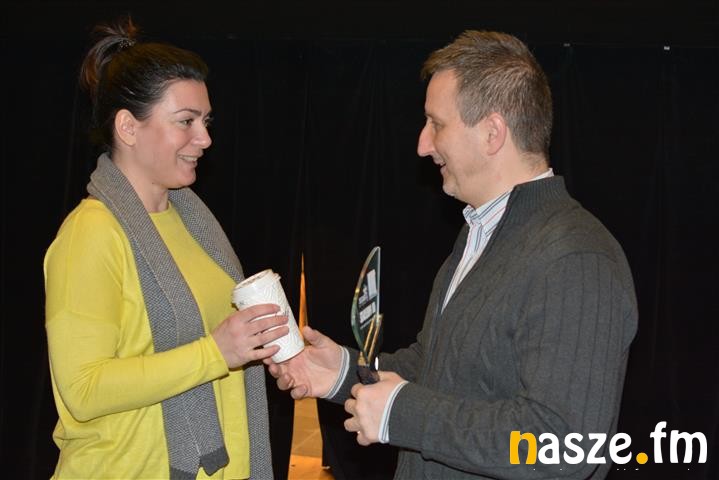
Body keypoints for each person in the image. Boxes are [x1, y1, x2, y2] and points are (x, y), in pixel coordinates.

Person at [268, 30, 638, 479]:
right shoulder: (480, 234)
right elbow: (440, 366)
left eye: (436, 124)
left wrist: (402, 413)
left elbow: (562, 445)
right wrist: (345, 372)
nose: (423, 144)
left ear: (492, 133)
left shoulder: (576, 258)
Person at [43, 17, 284, 479]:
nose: (205, 138)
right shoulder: (90, 234)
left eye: (205, 122)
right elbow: (84, 389)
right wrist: (216, 352)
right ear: (128, 128)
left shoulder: (193, 222)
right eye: (185, 121)